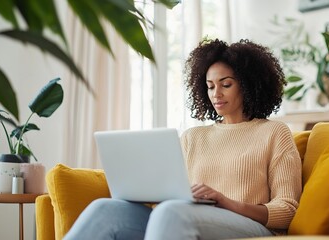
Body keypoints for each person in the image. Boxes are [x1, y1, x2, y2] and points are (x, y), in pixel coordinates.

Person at [64, 39, 302, 240]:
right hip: (184, 218)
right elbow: (175, 197)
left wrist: (224, 201)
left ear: (249, 86)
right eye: (210, 87)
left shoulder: (274, 133)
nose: (216, 94)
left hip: (250, 228)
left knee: (172, 213)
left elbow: (287, 209)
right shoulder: (193, 137)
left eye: (226, 84)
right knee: (106, 209)